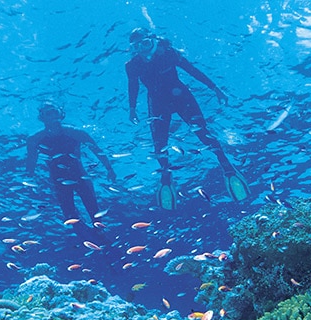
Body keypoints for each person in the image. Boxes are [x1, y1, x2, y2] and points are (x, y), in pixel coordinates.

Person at [126, 27, 249, 210]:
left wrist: (215, 88)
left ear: (153, 40)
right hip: (157, 104)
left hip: (181, 97)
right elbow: (132, 86)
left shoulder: (168, 53)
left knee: (203, 134)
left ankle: (227, 166)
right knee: (160, 144)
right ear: (133, 49)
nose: (143, 49)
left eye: (145, 43)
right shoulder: (132, 65)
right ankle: (166, 175)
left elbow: (192, 70)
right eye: (138, 46)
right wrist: (132, 108)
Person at [26, 102, 116, 240]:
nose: (53, 116)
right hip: (59, 183)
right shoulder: (34, 139)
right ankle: (87, 242)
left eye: (54, 111)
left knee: (95, 214)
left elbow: (97, 150)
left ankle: (102, 240)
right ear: (42, 117)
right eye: (48, 113)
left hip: (81, 178)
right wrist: (29, 181)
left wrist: (109, 169)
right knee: (70, 217)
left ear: (60, 113)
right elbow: (31, 162)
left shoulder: (77, 133)